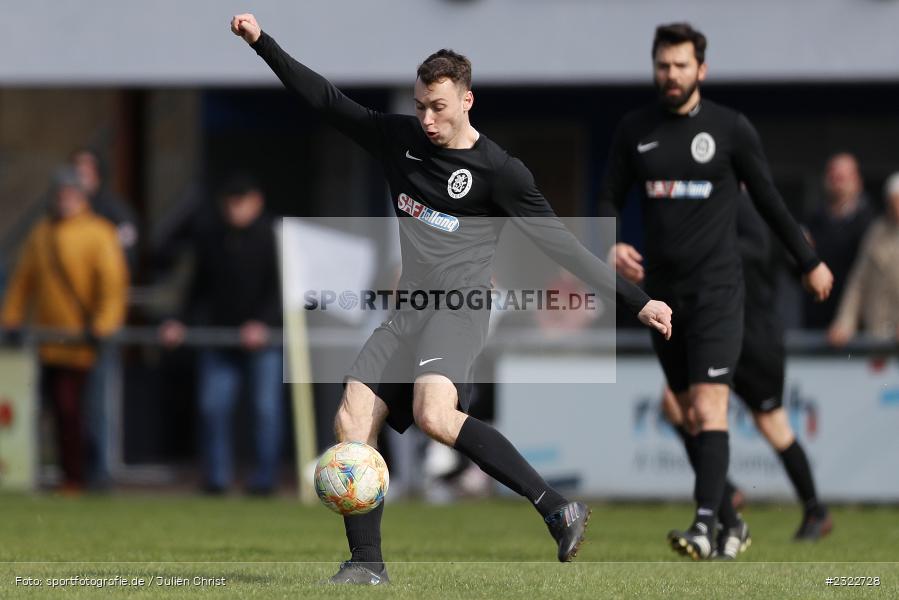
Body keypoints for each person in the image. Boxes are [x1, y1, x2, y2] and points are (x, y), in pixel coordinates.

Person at [231, 12, 673, 584]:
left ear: (467, 100)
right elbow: (327, 101)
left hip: (460, 309)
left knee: (434, 415)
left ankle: (556, 505)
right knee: (351, 418)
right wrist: (263, 44)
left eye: (438, 106)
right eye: (420, 105)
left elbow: (563, 245)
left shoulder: (500, 172)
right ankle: (367, 565)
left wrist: (637, 301)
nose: (426, 118)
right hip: (408, 311)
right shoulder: (400, 141)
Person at [598, 23, 833, 560]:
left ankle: (706, 524)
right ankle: (732, 522)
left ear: (701, 69)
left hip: (718, 293)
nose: (671, 75)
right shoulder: (635, 129)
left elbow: (771, 200)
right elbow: (608, 196)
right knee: (681, 408)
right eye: (663, 65)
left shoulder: (729, 129)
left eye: (681, 65)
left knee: (709, 406)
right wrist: (611, 246)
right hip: (660, 297)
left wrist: (810, 261)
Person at [661, 195, 832, 554]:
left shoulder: (748, 208)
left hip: (754, 335)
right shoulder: (706, 209)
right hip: (716, 329)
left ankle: (815, 510)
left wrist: (806, 257)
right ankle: (724, 499)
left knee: (771, 423)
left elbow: (763, 252)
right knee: (679, 408)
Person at [1, 167, 128, 491]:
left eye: (71, 195)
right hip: (49, 341)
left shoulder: (99, 232)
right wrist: (11, 318)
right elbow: (22, 281)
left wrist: (102, 325)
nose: (65, 201)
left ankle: (88, 475)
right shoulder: (41, 233)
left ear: (83, 198)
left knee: (86, 412)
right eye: (61, 195)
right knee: (57, 411)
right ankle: (66, 475)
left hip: (85, 342)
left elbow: (113, 285)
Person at [159, 175, 283, 495]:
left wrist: (263, 323)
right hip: (220, 338)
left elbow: (282, 290)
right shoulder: (211, 237)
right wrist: (179, 321)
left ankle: (264, 480)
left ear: (256, 201)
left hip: (262, 341)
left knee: (265, 410)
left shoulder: (274, 236)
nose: (234, 209)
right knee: (212, 406)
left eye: (240, 202)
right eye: (229, 202)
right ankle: (216, 478)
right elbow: (197, 288)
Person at [802, 153, 874, 329]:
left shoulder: (871, 225)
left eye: (842, 177)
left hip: (860, 323)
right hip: (816, 316)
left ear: (857, 180)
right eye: (833, 176)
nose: (837, 182)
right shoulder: (813, 221)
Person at [828, 172, 899, 346]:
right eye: (893, 202)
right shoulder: (876, 232)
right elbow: (858, 282)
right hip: (877, 335)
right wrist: (844, 324)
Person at [70, 148, 141, 274]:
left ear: (97, 173)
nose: (80, 173)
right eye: (77, 167)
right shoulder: (66, 209)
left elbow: (128, 247)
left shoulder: (115, 209)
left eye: (87, 168)